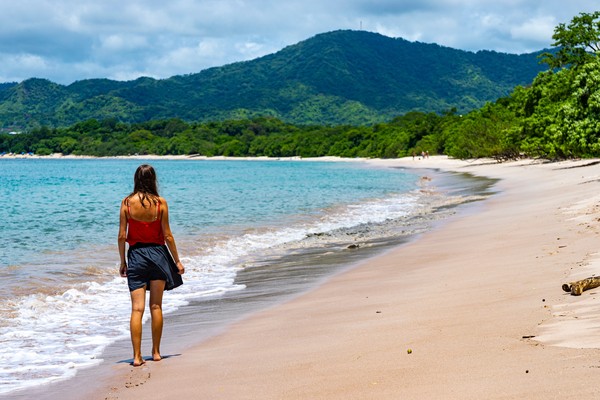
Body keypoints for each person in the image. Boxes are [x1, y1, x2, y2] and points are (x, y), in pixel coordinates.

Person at [118, 164, 185, 367]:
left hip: (136, 256)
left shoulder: (127, 203)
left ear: (136, 179)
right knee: (156, 306)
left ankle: (137, 357)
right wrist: (177, 260)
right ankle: (156, 352)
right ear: (153, 179)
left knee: (136, 309)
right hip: (158, 256)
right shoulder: (160, 203)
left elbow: (122, 236)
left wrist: (123, 262)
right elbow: (168, 235)